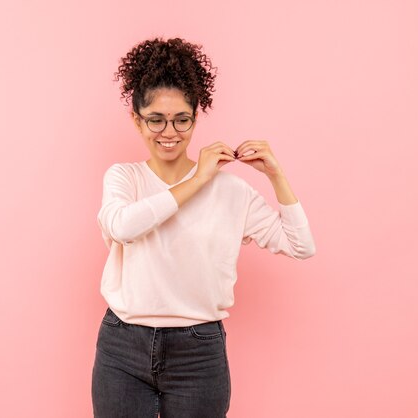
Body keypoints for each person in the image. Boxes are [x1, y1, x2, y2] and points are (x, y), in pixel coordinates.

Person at [91, 37, 316, 418]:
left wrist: (277, 175)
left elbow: (300, 245)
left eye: (182, 119)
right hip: (122, 345)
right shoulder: (124, 178)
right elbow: (123, 226)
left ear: (196, 117)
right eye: (156, 120)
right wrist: (197, 180)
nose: (169, 132)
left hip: (199, 352)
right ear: (136, 119)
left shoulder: (231, 191)